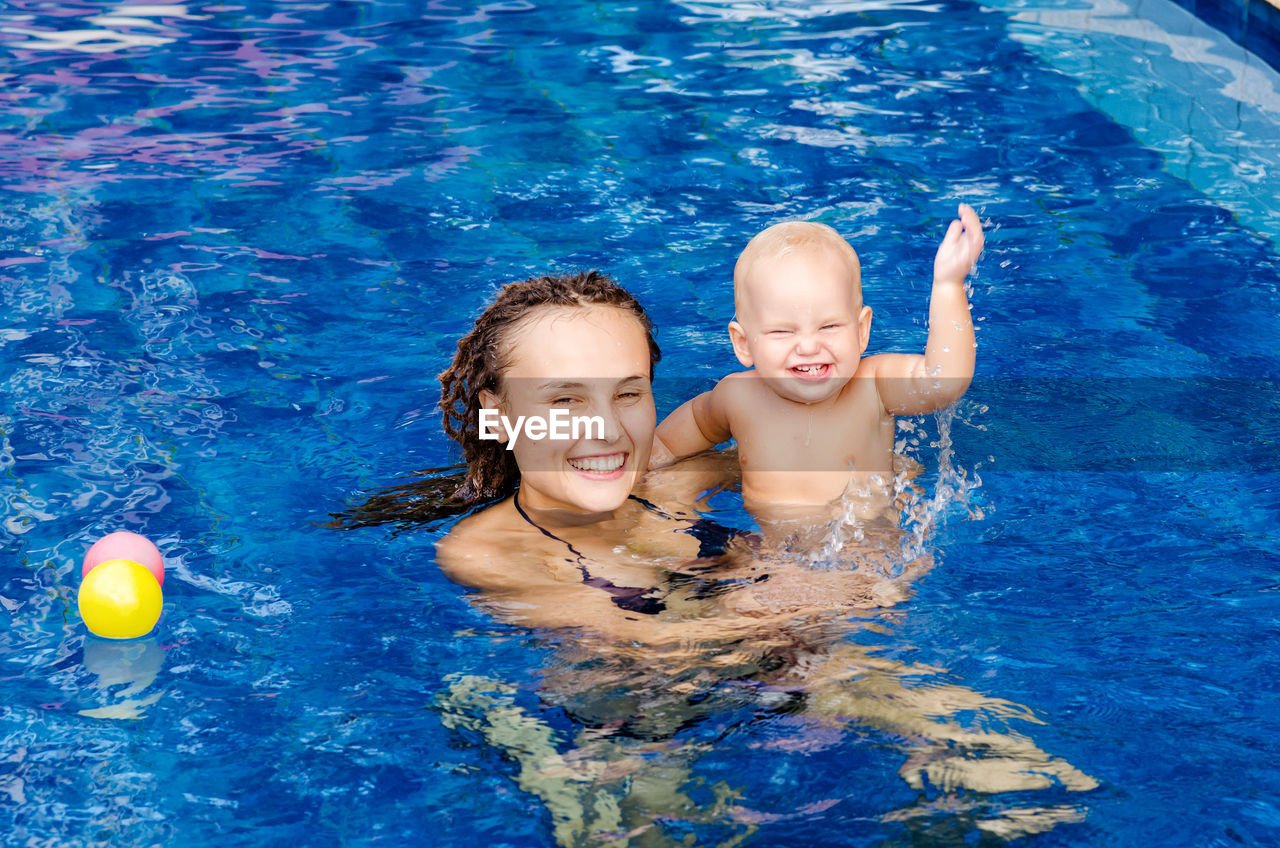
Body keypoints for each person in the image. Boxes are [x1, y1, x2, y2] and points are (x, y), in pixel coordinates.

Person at [653, 204, 984, 518]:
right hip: (770, 551)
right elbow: (681, 434)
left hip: (863, 547)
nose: (809, 346)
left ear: (861, 330)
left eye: (829, 326)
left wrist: (948, 285)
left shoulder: (875, 386)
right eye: (782, 331)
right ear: (744, 344)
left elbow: (942, 381)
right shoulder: (736, 397)